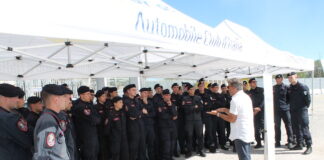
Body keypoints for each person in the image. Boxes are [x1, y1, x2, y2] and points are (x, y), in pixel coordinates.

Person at [207, 78, 254, 160]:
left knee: (244, 157)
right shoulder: (245, 96)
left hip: (240, 133)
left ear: (234, 88)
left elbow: (232, 119)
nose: (228, 89)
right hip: (246, 130)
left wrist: (218, 114)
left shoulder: (235, 99)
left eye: (229, 87)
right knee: (247, 156)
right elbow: (237, 112)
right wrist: (225, 110)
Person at [33, 84, 70, 159]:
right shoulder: (48, 121)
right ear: (56, 99)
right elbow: (44, 155)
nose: (66, 100)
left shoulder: (52, 118)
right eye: (64, 97)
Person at [0, 83, 33, 160]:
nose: (17, 100)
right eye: (15, 97)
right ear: (4, 98)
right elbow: (28, 140)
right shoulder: (8, 118)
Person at [72, 86, 101, 160]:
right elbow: (95, 120)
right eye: (88, 94)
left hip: (93, 135)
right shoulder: (80, 107)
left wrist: (96, 119)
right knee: (89, 156)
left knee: (95, 155)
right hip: (86, 138)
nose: (90, 96)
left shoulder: (89, 104)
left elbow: (98, 119)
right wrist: (96, 119)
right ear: (81, 95)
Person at [287, 72, 312, 154]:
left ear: (296, 76)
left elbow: (308, 100)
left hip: (302, 110)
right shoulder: (290, 88)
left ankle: (309, 146)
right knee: (296, 128)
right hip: (293, 110)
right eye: (289, 77)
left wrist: (304, 107)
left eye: (292, 77)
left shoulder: (302, 87)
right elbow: (288, 99)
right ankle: (299, 144)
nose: (290, 78)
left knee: (304, 127)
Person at [182, 84, 205, 158]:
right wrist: (194, 107)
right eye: (190, 89)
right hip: (189, 121)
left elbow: (201, 107)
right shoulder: (185, 98)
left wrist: (192, 107)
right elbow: (185, 109)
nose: (192, 90)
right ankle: (189, 151)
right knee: (189, 136)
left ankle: (200, 150)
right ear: (188, 90)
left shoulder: (198, 97)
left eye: (193, 89)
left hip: (198, 120)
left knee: (200, 135)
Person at [123, 84, 145, 160]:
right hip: (132, 128)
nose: (135, 91)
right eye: (133, 90)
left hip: (139, 125)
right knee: (133, 148)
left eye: (135, 90)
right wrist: (140, 112)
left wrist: (139, 113)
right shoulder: (126, 101)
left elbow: (144, 110)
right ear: (128, 91)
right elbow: (132, 115)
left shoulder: (136, 100)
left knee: (141, 147)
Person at [273, 74, 294, 149]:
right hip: (276, 110)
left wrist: (287, 106)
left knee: (288, 125)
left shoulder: (286, 87)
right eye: (277, 78)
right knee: (277, 126)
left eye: (279, 78)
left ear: (282, 79)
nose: (278, 79)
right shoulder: (273, 88)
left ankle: (290, 141)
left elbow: (290, 98)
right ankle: (277, 142)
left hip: (285, 109)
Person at [106, 96, 129, 160]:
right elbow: (107, 129)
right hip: (115, 140)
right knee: (115, 156)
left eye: (122, 102)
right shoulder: (110, 114)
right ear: (115, 103)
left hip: (124, 138)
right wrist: (112, 137)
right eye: (120, 102)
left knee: (125, 155)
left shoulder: (122, 112)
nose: (122, 103)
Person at [156, 89, 177, 160]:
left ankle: (170, 157)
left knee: (172, 143)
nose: (168, 96)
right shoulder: (159, 104)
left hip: (172, 126)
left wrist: (170, 105)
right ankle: (166, 158)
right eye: (166, 95)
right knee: (166, 144)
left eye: (169, 95)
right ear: (163, 96)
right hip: (164, 127)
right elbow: (163, 116)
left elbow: (175, 114)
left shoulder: (172, 103)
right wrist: (172, 116)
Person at [209, 83, 228, 151]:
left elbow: (223, 104)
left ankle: (223, 144)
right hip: (213, 115)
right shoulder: (209, 95)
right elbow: (210, 105)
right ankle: (215, 145)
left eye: (217, 87)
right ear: (212, 88)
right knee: (213, 131)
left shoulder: (221, 95)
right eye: (215, 87)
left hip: (221, 115)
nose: (216, 88)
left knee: (222, 130)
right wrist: (217, 103)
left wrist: (215, 102)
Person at [139, 88, 156, 160]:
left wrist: (146, 104)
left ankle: (151, 157)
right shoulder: (137, 101)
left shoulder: (150, 101)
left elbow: (154, 114)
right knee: (142, 145)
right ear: (141, 93)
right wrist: (146, 112)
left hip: (150, 126)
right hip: (141, 126)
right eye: (144, 92)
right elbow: (140, 114)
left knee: (151, 143)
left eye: (147, 92)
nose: (146, 94)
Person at [248, 78, 264, 148]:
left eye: (255, 82)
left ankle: (266, 141)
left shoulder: (261, 90)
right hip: (253, 112)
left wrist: (259, 108)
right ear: (250, 84)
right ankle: (258, 142)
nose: (255, 83)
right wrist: (253, 109)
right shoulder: (249, 92)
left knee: (263, 127)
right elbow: (248, 103)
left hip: (261, 111)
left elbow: (264, 100)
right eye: (253, 82)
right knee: (256, 128)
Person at [171, 83, 186, 155]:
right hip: (173, 119)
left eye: (177, 87)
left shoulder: (181, 96)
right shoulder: (170, 96)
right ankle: (175, 151)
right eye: (175, 87)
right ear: (172, 88)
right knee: (174, 136)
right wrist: (179, 106)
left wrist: (178, 106)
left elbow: (183, 106)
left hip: (181, 118)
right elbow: (172, 107)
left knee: (181, 135)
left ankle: (182, 149)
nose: (176, 88)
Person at [94, 90, 110, 160]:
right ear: (98, 97)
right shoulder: (95, 107)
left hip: (108, 131)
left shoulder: (106, 106)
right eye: (103, 96)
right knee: (102, 150)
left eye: (105, 96)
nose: (105, 97)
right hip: (100, 131)